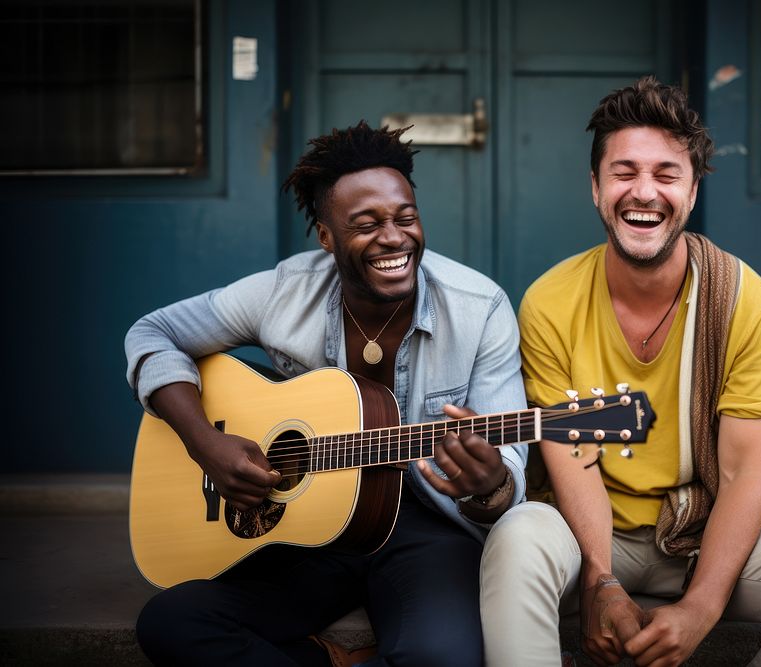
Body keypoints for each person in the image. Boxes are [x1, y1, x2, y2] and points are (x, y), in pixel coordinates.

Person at [480, 76, 761, 666]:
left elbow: (743, 473)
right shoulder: (550, 301)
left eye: (666, 175)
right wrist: (599, 581)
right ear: (595, 187)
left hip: (691, 534)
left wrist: (702, 607)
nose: (645, 193)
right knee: (516, 537)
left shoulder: (744, 300)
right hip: (586, 534)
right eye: (624, 172)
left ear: (692, 192)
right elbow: (573, 455)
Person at [125, 121, 528, 666]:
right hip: (306, 533)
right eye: (365, 224)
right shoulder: (282, 292)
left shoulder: (480, 308)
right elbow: (153, 334)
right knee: (173, 622)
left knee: (445, 659)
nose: (393, 238)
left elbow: (507, 473)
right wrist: (203, 443)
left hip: (424, 530)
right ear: (325, 236)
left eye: (406, 218)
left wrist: (489, 486)